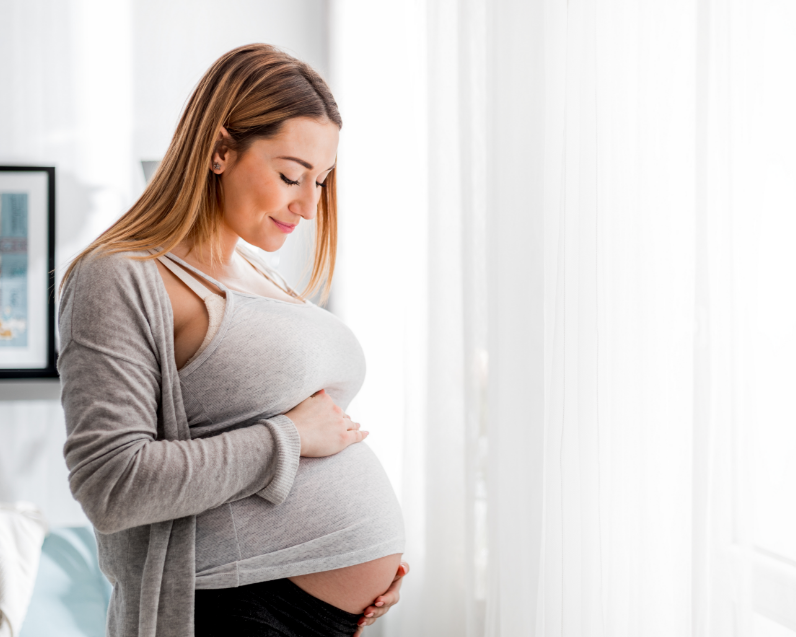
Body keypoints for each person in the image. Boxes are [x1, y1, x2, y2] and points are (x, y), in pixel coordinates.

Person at [57, 43, 408, 637]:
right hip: (232, 609)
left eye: (321, 181)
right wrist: (288, 438)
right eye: (291, 176)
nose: (309, 205)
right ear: (220, 150)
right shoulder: (121, 276)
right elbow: (111, 483)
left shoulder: (256, 271)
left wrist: (359, 561)